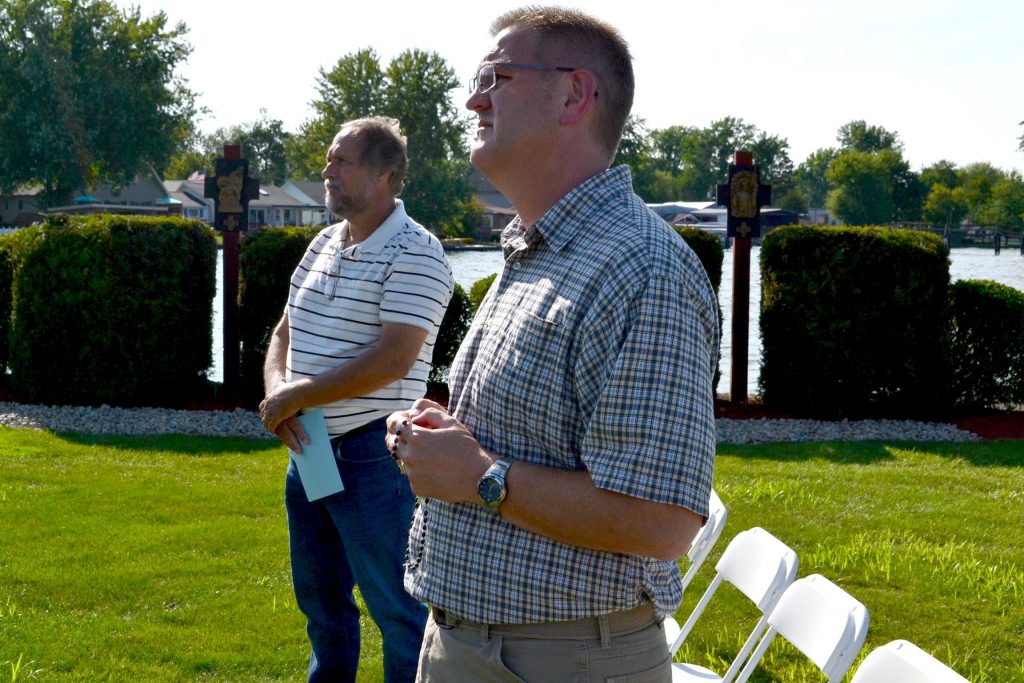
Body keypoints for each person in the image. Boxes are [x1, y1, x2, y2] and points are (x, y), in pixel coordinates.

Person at [385, 7, 720, 682]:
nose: (474, 96)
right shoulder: (537, 250)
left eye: (497, 74)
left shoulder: (643, 268)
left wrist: (480, 475)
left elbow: (663, 520)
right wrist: (448, 441)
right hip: (469, 640)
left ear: (575, 94)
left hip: (562, 659)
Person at [261, 116, 453, 683]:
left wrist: (298, 394)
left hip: (373, 456)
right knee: (322, 608)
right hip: (311, 449)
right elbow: (284, 331)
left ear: (384, 175)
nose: (327, 171)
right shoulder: (325, 242)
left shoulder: (416, 251)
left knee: (400, 614)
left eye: (341, 161)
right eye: (329, 160)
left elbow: (394, 359)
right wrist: (279, 392)